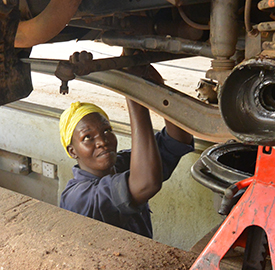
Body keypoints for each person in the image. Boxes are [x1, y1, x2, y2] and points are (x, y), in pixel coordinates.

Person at [59, 55, 194, 238]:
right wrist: (135, 95)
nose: (101, 141)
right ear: (72, 151)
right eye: (88, 137)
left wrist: (155, 84)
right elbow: (145, 184)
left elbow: (178, 139)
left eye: (106, 130)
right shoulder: (78, 197)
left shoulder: (121, 164)